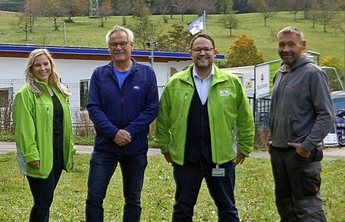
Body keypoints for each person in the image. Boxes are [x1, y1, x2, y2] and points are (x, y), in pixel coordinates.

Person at [155, 33, 255, 222]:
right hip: (186, 159)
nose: (202, 53)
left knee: (227, 208)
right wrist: (164, 146)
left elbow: (245, 118)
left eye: (207, 49)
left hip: (221, 158)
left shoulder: (231, 82)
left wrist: (244, 146)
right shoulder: (175, 83)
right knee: (182, 208)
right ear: (190, 53)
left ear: (214, 52)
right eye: (198, 49)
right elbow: (163, 118)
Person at [85, 25, 159, 222]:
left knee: (133, 199)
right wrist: (113, 133)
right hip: (105, 147)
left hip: (135, 148)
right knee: (94, 197)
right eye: (113, 44)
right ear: (109, 48)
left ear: (131, 46)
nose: (118, 47)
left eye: (122, 43)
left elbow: (152, 108)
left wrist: (128, 132)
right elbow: (93, 107)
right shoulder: (99, 74)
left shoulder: (146, 74)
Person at [269, 26, 334, 221]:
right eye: (281, 44)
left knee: (308, 207)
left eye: (291, 44)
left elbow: (326, 115)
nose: (286, 49)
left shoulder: (313, 74)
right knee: (285, 205)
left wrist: (307, 146)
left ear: (303, 46)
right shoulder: (280, 74)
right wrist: (273, 139)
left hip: (301, 155)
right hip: (279, 153)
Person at [13, 48, 77, 222]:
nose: (42, 68)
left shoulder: (58, 90)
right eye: (37, 65)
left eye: (45, 64)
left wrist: (69, 151)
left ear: (51, 65)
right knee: (42, 201)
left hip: (57, 154)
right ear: (31, 69)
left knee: (46, 201)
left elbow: (65, 125)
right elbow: (23, 129)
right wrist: (31, 155)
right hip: (39, 156)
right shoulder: (26, 94)